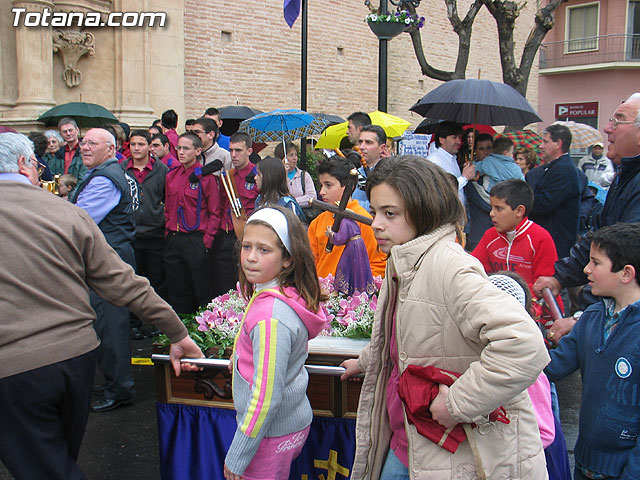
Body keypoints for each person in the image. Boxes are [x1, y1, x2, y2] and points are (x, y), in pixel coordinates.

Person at [0, 132, 203, 479]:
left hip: (17, 368)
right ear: (22, 165)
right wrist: (176, 331)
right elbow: (124, 283)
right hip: (75, 359)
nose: (39, 173)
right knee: (56, 459)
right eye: (36, 165)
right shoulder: (67, 213)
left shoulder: (87, 195)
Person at [341, 155, 550, 480]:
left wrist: (456, 403)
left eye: (389, 213)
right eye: (375, 211)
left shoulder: (449, 266)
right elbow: (405, 333)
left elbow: (524, 346)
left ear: (424, 210)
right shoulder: (405, 261)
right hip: (409, 439)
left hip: (447, 449)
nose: (376, 223)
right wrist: (368, 360)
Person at [224, 206, 327, 480]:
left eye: (264, 250)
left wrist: (238, 455)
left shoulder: (270, 317)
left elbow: (266, 397)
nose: (251, 258)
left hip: (269, 435)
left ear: (288, 260)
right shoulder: (283, 294)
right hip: (287, 424)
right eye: (246, 247)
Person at [534, 93, 640, 342]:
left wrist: (584, 318)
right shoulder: (625, 176)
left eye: (618, 121)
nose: (607, 128)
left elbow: (622, 254)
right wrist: (561, 277)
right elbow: (599, 237)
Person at [545, 222, 640, 480]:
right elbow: (550, 367)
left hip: (625, 470)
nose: (586, 269)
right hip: (585, 461)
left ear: (626, 273)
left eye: (596, 263)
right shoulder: (593, 316)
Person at [71, 127, 140, 412]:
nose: (84, 147)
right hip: (109, 257)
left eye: (92, 143)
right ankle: (115, 381)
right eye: (83, 142)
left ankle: (121, 389)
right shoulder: (107, 174)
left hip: (108, 261)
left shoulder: (105, 179)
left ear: (110, 150)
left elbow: (79, 220)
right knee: (105, 324)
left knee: (111, 326)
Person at [472, 179, 563, 326]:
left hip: (535, 314)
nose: (491, 214)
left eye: (498, 208)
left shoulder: (540, 238)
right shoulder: (490, 236)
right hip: (498, 308)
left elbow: (544, 287)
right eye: (491, 208)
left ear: (519, 211)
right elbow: (475, 268)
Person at [164, 133, 222, 314]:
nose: (180, 152)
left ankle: (203, 328)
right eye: (178, 148)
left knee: (201, 287)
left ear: (198, 151)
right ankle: (180, 326)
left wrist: (207, 241)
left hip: (196, 239)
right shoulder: (172, 176)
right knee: (176, 287)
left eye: (186, 148)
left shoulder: (207, 179)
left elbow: (215, 212)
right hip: (174, 238)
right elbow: (167, 208)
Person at [120, 129, 170, 335]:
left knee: (157, 281)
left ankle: (158, 322)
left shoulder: (162, 170)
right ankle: (133, 322)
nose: (136, 148)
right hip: (130, 234)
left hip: (155, 234)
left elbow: (167, 199)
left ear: (149, 147)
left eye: (141, 144)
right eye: (133, 145)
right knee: (133, 279)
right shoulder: (121, 168)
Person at [307, 156, 386, 280]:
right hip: (321, 292)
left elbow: (378, 264)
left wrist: (357, 291)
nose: (321, 191)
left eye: (328, 185)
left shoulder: (364, 221)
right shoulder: (317, 222)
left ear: (349, 186)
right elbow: (311, 263)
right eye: (321, 185)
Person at [526, 124, 581, 258]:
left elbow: (544, 204)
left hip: (555, 241)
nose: (540, 146)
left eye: (545, 141)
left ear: (558, 144)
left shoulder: (562, 171)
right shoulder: (554, 168)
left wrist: (521, 200)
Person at [427, 121, 475, 203]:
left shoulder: (452, 158)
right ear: (442, 140)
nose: (458, 142)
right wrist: (464, 177)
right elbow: (442, 190)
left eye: (459, 138)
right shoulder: (435, 161)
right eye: (454, 138)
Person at [254, 156, 306, 223]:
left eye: (258, 174)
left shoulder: (287, 204)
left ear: (269, 177)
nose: (255, 178)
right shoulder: (260, 199)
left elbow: (293, 230)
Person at [273, 140, 317, 215]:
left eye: (296, 155)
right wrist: (283, 174)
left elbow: (312, 197)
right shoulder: (275, 176)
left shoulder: (304, 175)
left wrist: (290, 202)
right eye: (291, 155)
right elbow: (275, 198)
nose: (295, 158)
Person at [353, 125, 388, 211]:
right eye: (360, 142)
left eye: (368, 142)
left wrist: (351, 205)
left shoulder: (387, 174)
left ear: (382, 148)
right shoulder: (355, 172)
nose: (362, 147)